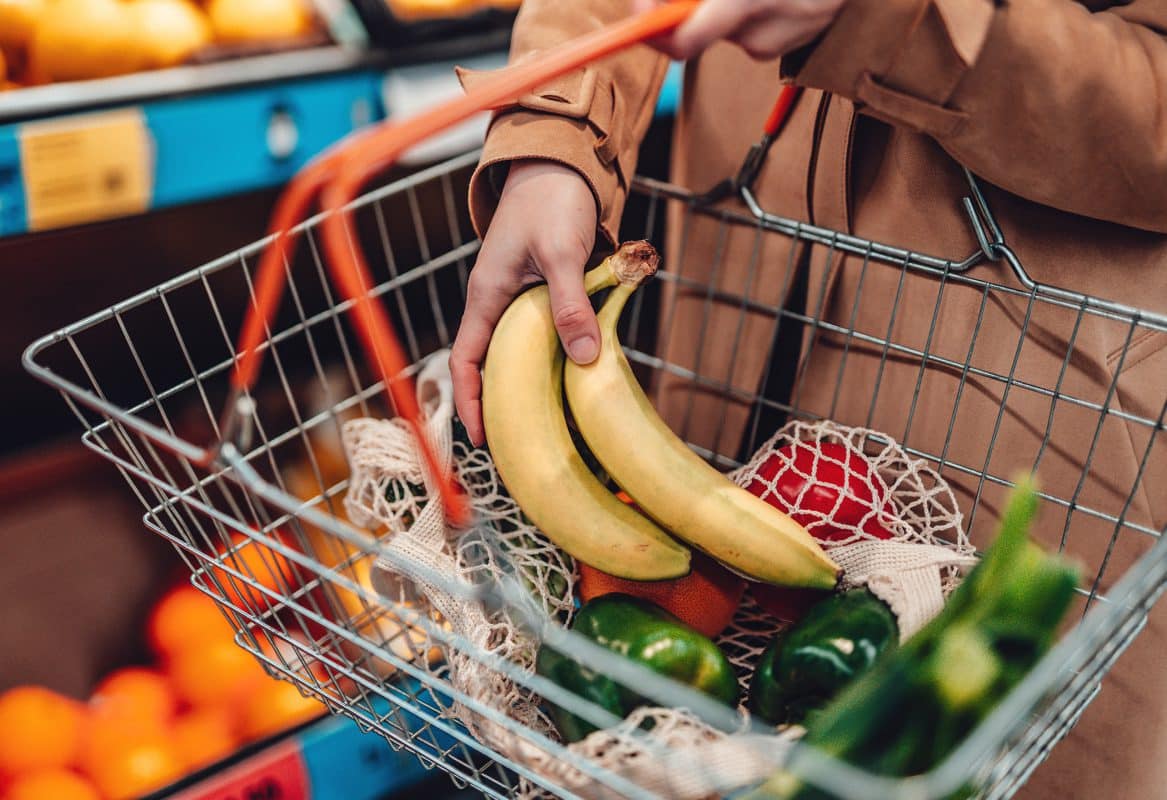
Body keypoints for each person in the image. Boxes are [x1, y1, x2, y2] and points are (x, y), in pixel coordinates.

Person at [448, 0, 1167, 797]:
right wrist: (557, 136)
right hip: (735, 261)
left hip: (1028, 382)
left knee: (963, 750)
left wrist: (898, 20)